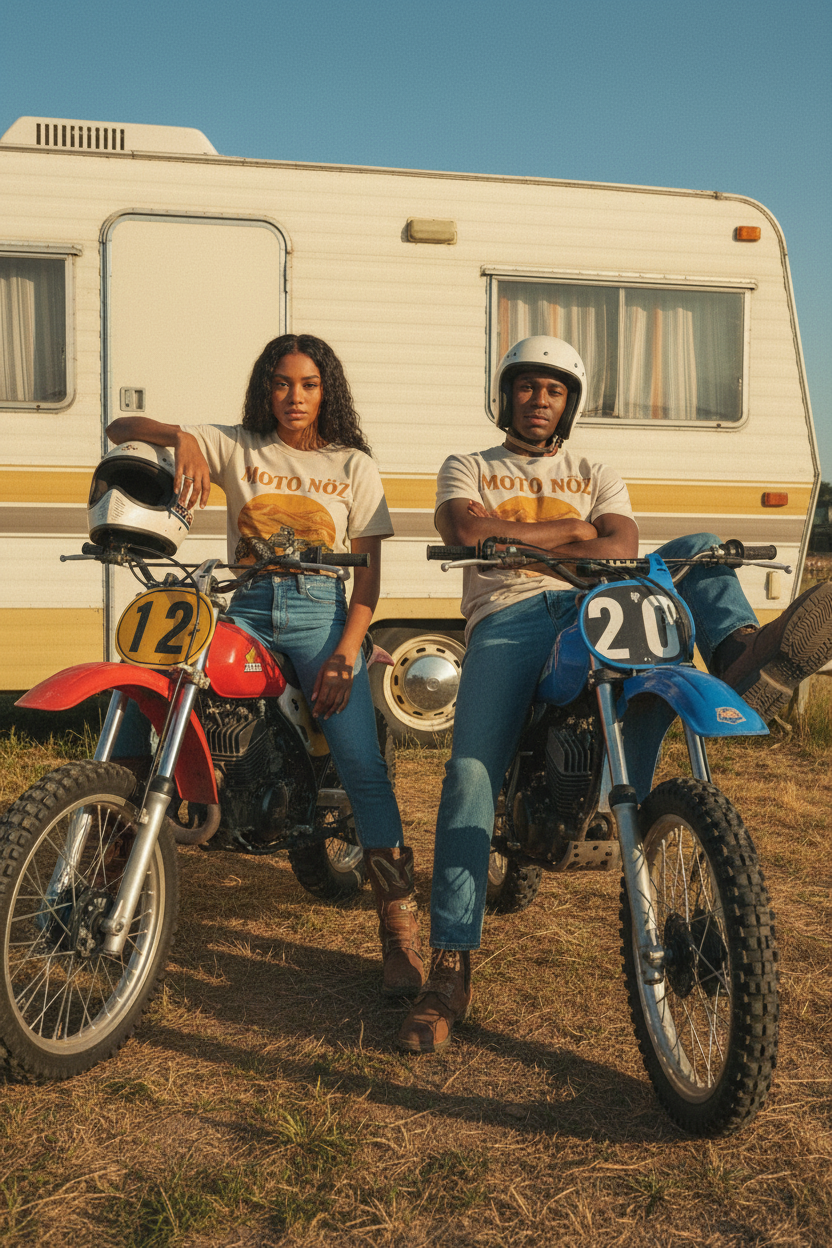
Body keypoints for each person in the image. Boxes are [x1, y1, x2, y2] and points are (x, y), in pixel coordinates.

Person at [396, 334, 832, 1054]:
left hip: (594, 604)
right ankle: (449, 966)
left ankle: (740, 663)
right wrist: (574, 530)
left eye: (554, 390)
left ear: (569, 403)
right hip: (507, 617)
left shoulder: (595, 470)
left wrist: (532, 540)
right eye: (527, 386)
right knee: (470, 775)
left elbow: (620, 546)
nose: (539, 400)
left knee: (695, 547)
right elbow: (468, 530)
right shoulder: (468, 465)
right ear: (506, 395)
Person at [106, 333, 424, 998]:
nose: (294, 397)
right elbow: (119, 428)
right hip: (243, 606)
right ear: (265, 388)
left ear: (326, 391)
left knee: (362, 765)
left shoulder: (353, 464)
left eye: (308, 384)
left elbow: (368, 580)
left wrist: (345, 653)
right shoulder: (238, 445)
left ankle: (400, 936)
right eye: (282, 383)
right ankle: (110, 869)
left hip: (320, 613)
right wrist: (180, 438)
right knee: (146, 684)